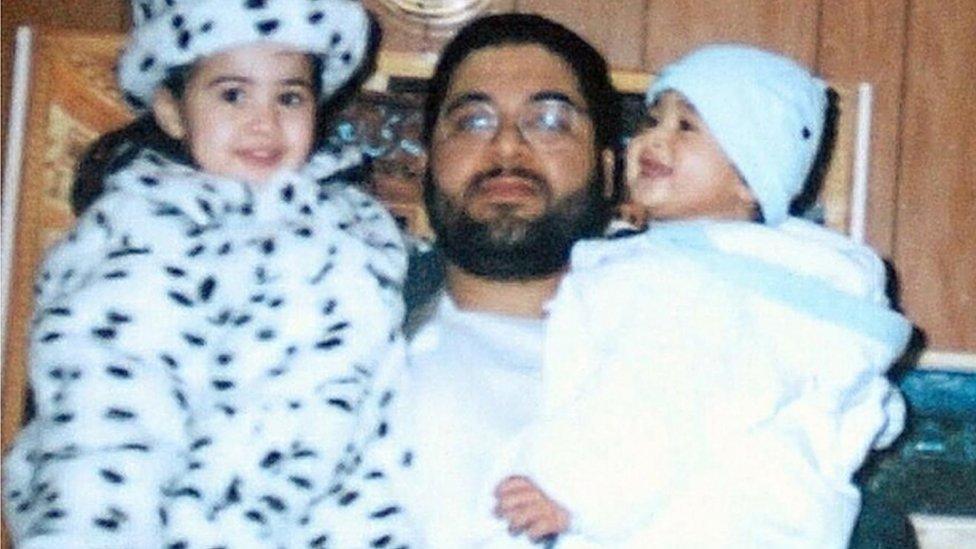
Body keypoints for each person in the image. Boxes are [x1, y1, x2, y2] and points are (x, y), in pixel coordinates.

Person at [2, 0, 414, 546]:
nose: (264, 122)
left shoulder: (357, 237)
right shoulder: (141, 235)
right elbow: (104, 428)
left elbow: (376, 424)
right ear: (173, 111)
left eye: (289, 97)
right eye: (233, 94)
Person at [488, 45, 913, 548]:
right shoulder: (743, 280)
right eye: (652, 120)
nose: (653, 140)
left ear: (748, 180)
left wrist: (571, 490)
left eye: (686, 127)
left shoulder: (699, 284)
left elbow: (659, 399)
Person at [388, 13, 621, 548]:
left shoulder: (685, 356)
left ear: (608, 172)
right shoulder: (335, 339)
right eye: (473, 122)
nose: (508, 148)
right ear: (426, 166)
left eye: (549, 122)